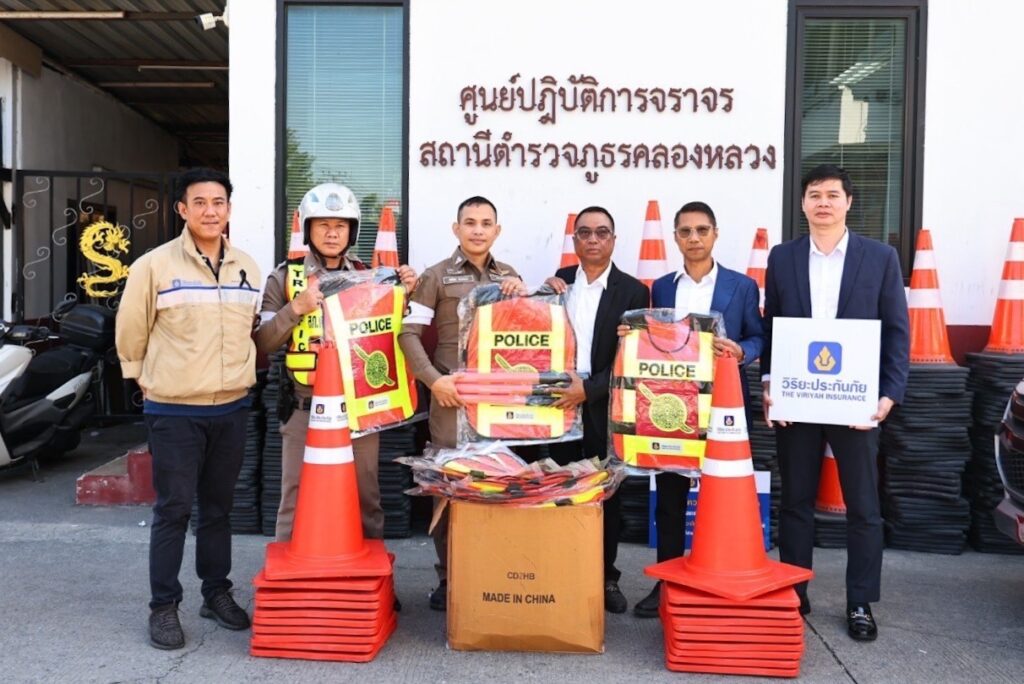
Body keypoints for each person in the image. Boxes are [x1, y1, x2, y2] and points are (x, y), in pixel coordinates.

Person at [761, 164, 909, 641]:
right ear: (803, 203)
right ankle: (795, 591)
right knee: (795, 501)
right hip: (799, 400)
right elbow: (773, 326)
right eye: (814, 194)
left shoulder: (880, 258)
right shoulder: (783, 257)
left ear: (848, 202)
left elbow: (897, 331)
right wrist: (770, 383)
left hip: (856, 402)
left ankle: (860, 602)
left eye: (832, 194)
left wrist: (888, 394)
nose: (823, 202)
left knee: (863, 506)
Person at [116, 167, 261, 650]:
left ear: (229, 209)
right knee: (173, 510)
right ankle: (163, 607)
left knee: (218, 510)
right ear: (182, 209)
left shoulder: (246, 266)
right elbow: (131, 331)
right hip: (174, 411)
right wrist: (144, 378)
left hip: (231, 409)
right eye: (199, 202)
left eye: (218, 202)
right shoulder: (153, 266)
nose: (210, 211)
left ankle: (215, 593)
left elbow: (250, 332)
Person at [254, 182, 417, 547]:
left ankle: (371, 568)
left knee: (366, 494)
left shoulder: (371, 277)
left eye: (340, 225)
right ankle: (288, 568)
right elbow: (263, 342)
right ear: (308, 229)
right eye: (323, 225)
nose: (331, 233)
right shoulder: (285, 277)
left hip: (358, 408)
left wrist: (405, 291)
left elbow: (392, 334)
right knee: (295, 494)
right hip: (303, 407)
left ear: (351, 231)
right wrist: (295, 308)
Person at [632, 201, 765, 618]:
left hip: (724, 406)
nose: (694, 238)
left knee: (722, 497)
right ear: (675, 237)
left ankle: (722, 582)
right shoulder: (662, 288)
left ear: (715, 234)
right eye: (685, 231)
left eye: (702, 230)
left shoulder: (742, 286)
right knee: (669, 499)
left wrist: (742, 351)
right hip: (672, 405)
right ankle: (667, 583)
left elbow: (759, 336)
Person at [397, 196, 525, 611]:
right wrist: (433, 381)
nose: (478, 230)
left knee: (496, 484)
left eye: (486, 223)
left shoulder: (510, 276)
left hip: (500, 402)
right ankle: (449, 578)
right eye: (470, 222)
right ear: (456, 229)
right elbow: (408, 334)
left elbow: (529, 335)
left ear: (497, 231)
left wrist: (524, 297)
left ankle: (490, 573)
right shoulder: (435, 276)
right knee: (449, 487)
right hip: (451, 399)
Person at [544, 206, 649, 614]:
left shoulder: (633, 291)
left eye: (601, 232)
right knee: (559, 486)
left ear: (613, 240)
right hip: (558, 402)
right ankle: (561, 572)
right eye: (584, 232)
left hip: (604, 402)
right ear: (574, 240)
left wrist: (588, 390)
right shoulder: (559, 282)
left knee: (605, 492)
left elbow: (631, 355)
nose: (592, 239)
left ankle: (606, 577)